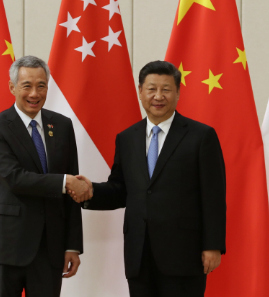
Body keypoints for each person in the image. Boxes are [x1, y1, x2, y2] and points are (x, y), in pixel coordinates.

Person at [71, 60, 226, 297]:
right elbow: (121, 188)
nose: (158, 96)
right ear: (140, 91)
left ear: (177, 93)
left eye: (166, 89)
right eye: (151, 89)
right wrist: (92, 191)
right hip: (139, 252)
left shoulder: (201, 136)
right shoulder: (127, 138)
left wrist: (212, 245)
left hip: (184, 253)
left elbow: (213, 195)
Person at [0, 55, 90, 297]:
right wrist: (63, 182)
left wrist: (72, 245)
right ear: (12, 87)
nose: (34, 93)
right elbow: (14, 177)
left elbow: (73, 191)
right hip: (7, 246)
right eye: (26, 85)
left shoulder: (62, 125)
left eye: (41, 85)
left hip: (49, 248)